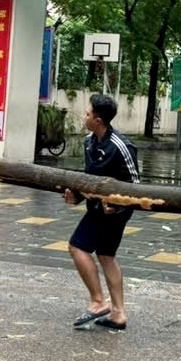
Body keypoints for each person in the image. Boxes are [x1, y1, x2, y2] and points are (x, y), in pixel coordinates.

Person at [65, 93, 140, 331]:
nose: (84, 116)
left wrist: (117, 205)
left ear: (98, 119)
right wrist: (75, 196)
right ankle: (118, 313)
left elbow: (135, 185)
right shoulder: (89, 142)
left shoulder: (121, 146)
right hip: (97, 207)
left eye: (87, 113)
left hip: (114, 212)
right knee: (106, 255)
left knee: (77, 247)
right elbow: (89, 180)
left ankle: (98, 301)